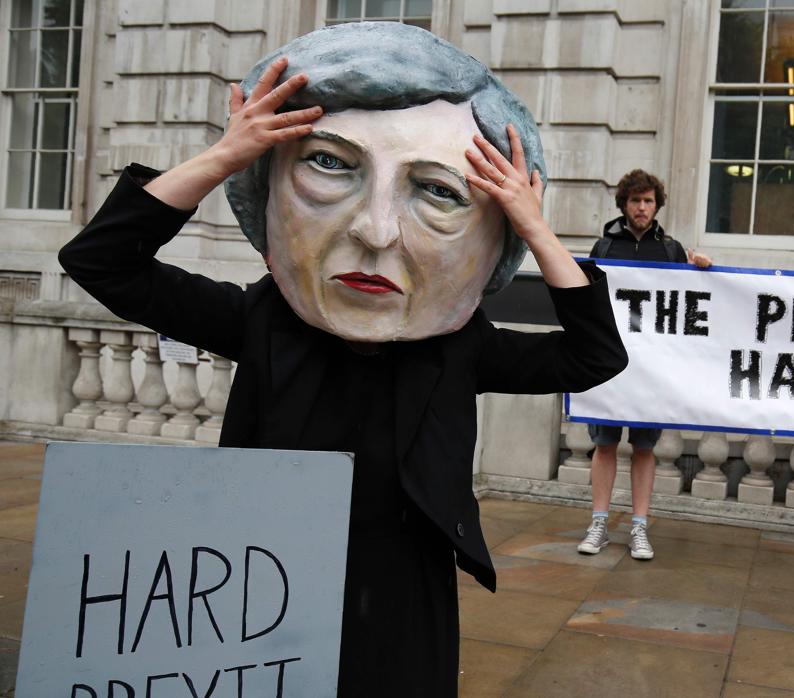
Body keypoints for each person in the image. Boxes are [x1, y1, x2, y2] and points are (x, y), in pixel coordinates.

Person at [58, 23, 627, 695]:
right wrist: (225, 156)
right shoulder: (261, 320)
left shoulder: (462, 348)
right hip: (262, 582)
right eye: (329, 164)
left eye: (439, 192)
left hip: (401, 595)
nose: (376, 232)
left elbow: (594, 356)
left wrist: (532, 226)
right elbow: (102, 261)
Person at [577, 169, 710, 560]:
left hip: (651, 370)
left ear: (657, 205)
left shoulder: (669, 250)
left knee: (644, 448)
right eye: (635, 201)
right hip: (609, 367)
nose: (641, 208)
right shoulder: (604, 247)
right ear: (624, 204)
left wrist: (700, 269)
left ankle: (639, 528)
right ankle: (599, 523)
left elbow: (690, 301)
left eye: (648, 201)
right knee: (604, 444)